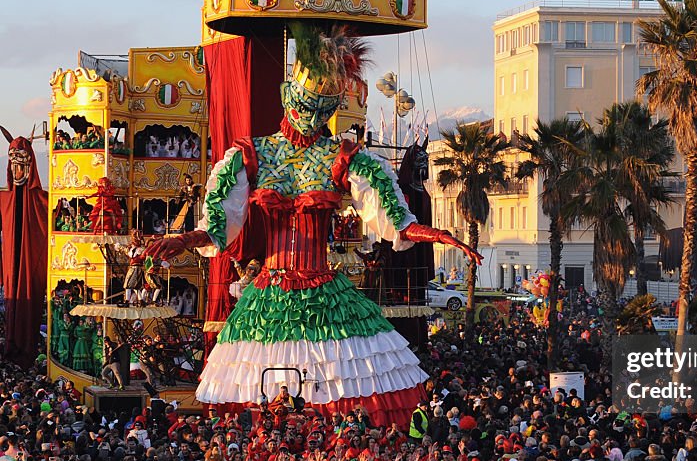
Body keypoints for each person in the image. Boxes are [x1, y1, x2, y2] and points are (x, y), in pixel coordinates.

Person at [145, 21, 480, 425]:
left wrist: (438, 235)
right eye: (305, 105)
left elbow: (394, 219)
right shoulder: (252, 156)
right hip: (269, 292)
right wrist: (185, 238)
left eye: (322, 110)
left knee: (345, 389)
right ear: (287, 97)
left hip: (325, 288)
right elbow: (220, 225)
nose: (310, 117)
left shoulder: (345, 158)